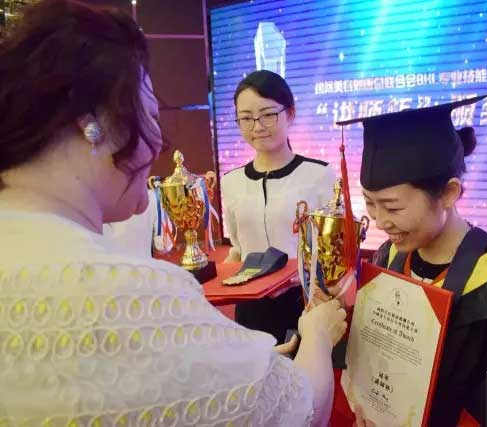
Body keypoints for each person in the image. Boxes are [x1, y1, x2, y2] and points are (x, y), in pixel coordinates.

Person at [0, 1, 346, 426]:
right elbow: (300, 409)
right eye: (149, 112)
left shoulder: (319, 174)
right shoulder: (140, 293)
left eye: (267, 115)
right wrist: (316, 337)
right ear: (92, 125)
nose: (158, 141)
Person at [334, 98, 487, 427]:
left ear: (449, 193)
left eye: (393, 207)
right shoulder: (387, 258)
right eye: (370, 204)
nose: (380, 221)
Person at [222, 70, 336, 343]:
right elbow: (237, 247)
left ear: (290, 113)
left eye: (268, 114)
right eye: (246, 118)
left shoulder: (320, 175)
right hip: (250, 306)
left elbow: (333, 250)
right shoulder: (231, 181)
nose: (257, 126)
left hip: (304, 302)